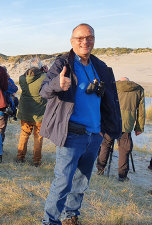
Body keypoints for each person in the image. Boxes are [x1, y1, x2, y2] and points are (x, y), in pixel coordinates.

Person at [40, 24, 121, 225]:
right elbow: (44, 90)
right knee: (63, 182)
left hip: (94, 136)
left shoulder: (100, 66)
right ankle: (49, 221)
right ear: (72, 41)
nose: (85, 42)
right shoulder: (63, 63)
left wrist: (105, 130)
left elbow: (110, 99)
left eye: (90, 37)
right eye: (80, 38)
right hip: (71, 135)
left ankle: (70, 216)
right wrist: (58, 84)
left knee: (81, 181)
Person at [96, 77, 145, 181]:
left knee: (105, 145)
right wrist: (139, 127)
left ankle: (100, 169)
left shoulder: (111, 86)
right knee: (124, 149)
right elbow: (141, 112)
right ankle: (122, 176)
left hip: (111, 122)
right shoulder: (138, 89)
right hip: (126, 124)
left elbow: (102, 104)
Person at [16, 66, 47, 167]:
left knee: (24, 135)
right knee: (38, 137)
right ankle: (36, 161)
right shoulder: (44, 77)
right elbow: (50, 78)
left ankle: (20, 157)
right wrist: (44, 71)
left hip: (25, 112)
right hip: (39, 113)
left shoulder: (22, 79)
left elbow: (22, 75)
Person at [0, 68, 18, 153]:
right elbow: (14, 89)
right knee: (0, 129)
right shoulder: (5, 81)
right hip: (2, 108)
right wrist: (8, 78)